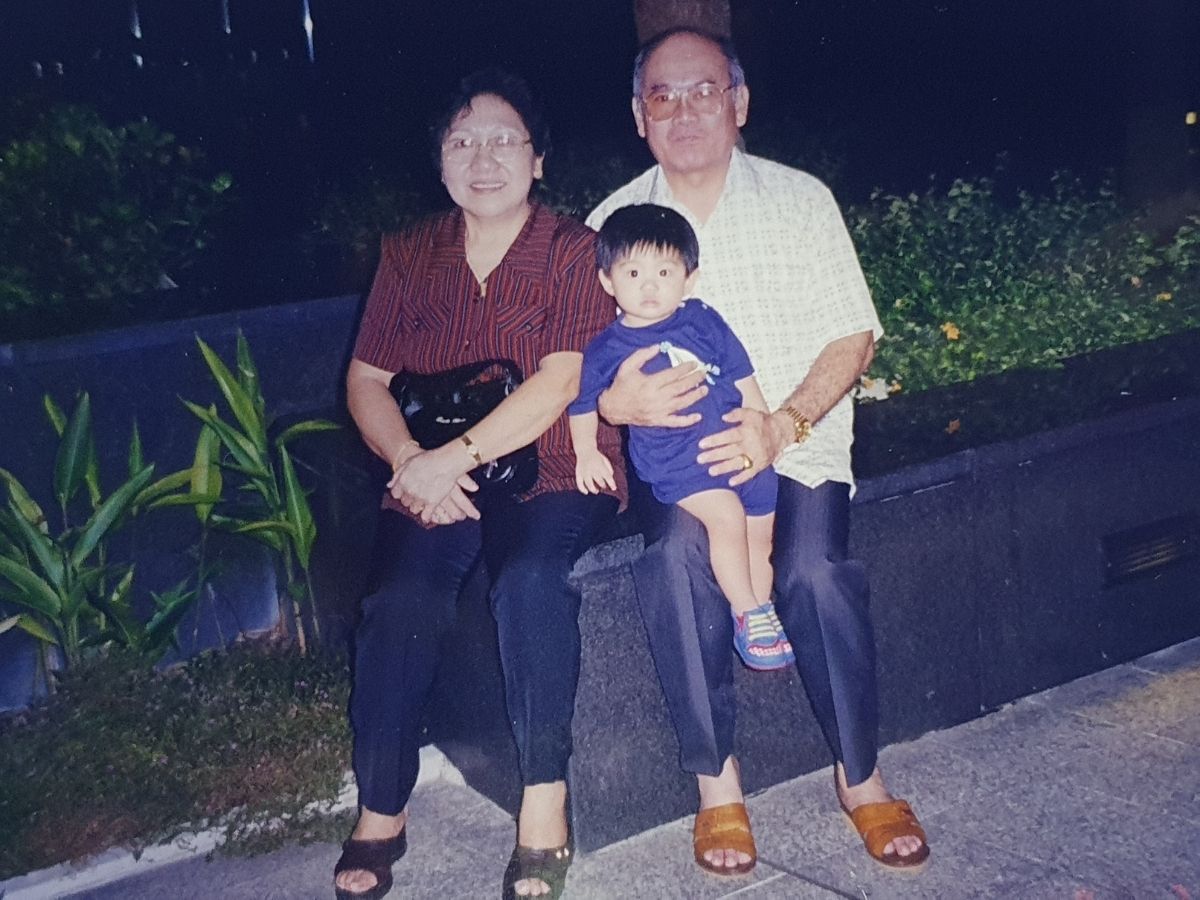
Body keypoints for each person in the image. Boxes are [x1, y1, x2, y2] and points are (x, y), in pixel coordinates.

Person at [587, 28, 930, 874]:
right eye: (662, 95)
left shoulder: (800, 200)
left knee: (814, 571)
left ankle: (861, 775)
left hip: (794, 442)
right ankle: (719, 788)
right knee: (673, 561)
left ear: (739, 102)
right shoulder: (608, 223)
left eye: (704, 90)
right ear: (638, 115)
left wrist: (781, 423)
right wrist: (616, 405)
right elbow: (577, 366)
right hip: (676, 461)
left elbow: (854, 335)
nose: (684, 110)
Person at [336, 69, 625, 900]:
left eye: (504, 140)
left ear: (538, 160)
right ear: (440, 162)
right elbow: (365, 380)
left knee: (530, 581)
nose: (484, 158)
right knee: (398, 600)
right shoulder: (408, 252)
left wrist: (448, 460)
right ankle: (382, 806)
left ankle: (544, 803)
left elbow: (561, 382)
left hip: (556, 464)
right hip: (432, 472)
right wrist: (409, 463)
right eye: (462, 141)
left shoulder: (574, 250)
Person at [568, 203, 793, 670]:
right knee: (727, 517)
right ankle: (746, 611)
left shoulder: (705, 320)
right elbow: (584, 403)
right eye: (633, 272)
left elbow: (742, 377)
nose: (649, 286)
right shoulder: (607, 347)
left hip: (738, 450)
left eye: (665, 272)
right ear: (607, 280)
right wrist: (586, 453)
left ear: (689, 279)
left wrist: (760, 429)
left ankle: (761, 607)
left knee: (761, 533)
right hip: (679, 464)